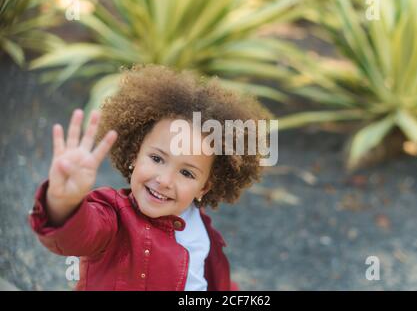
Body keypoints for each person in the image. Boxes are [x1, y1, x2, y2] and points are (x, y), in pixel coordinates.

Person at [29, 65, 271, 291]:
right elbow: (77, 235)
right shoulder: (113, 218)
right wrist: (63, 202)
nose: (165, 180)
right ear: (135, 154)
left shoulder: (201, 226)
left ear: (204, 187)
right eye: (157, 158)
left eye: (186, 173)